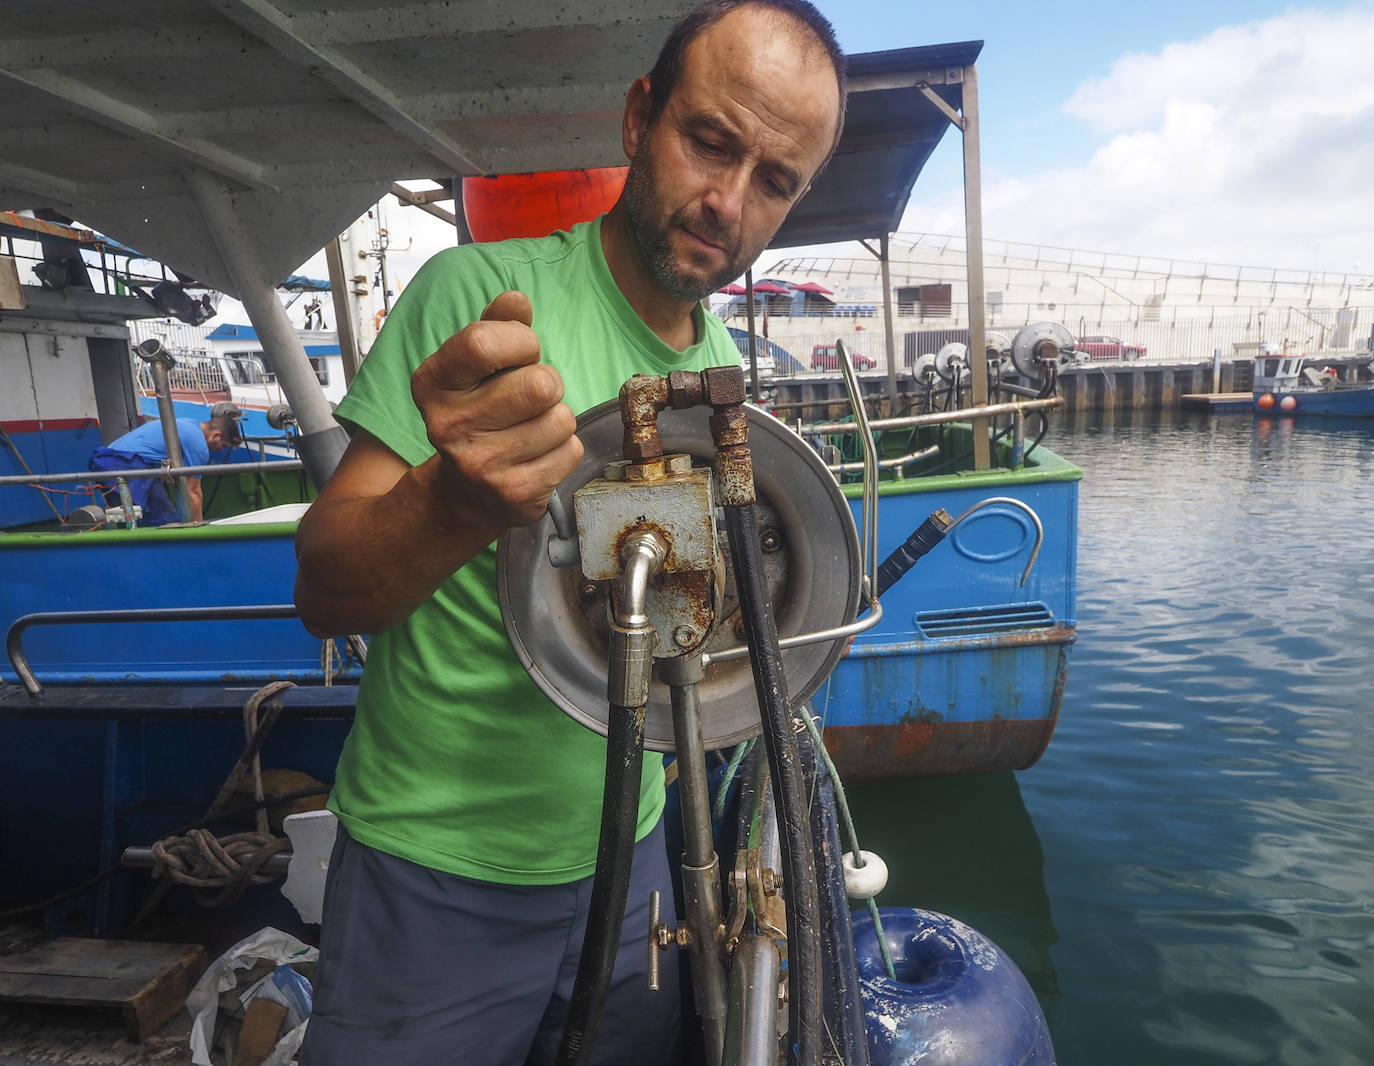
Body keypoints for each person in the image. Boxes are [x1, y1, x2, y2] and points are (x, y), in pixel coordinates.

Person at [292, 2, 846, 1062]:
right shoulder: (485, 303)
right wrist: (453, 502)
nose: (729, 203)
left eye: (774, 181)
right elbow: (324, 586)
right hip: (431, 874)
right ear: (641, 118)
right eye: (711, 142)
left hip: (637, 858)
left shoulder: (725, 363)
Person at [88, 403, 242, 525]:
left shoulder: (189, 424)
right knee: (162, 520)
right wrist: (199, 527)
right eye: (224, 446)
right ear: (217, 435)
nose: (220, 451)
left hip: (105, 460)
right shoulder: (198, 444)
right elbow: (193, 490)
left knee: (135, 519)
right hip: (124, 463)